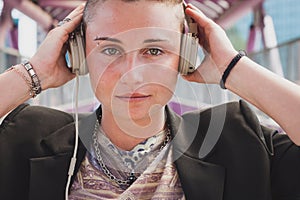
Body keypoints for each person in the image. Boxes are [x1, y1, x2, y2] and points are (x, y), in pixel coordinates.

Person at [0, 0, 300, 200]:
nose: (132, 75)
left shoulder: (240, 141)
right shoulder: (26, 136)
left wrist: (232, 67)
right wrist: (32, 74)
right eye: (110, 50)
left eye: (154, 51)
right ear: (79, 54)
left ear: (183, 55)